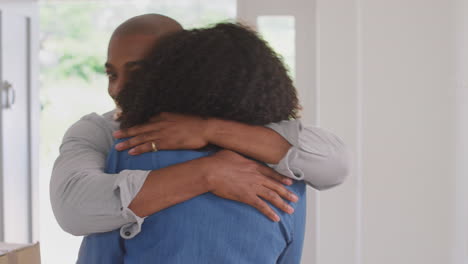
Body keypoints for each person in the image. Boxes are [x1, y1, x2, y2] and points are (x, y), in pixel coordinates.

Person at [50, 13, 348, 250]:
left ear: (183, 66)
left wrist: (210, 130)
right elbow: (72, 208)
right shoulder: (100, 130)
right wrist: (208, 173)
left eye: (137, 71)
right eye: (112, 74)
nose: (117, 89)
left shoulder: (251, 129)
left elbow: (333, 164)